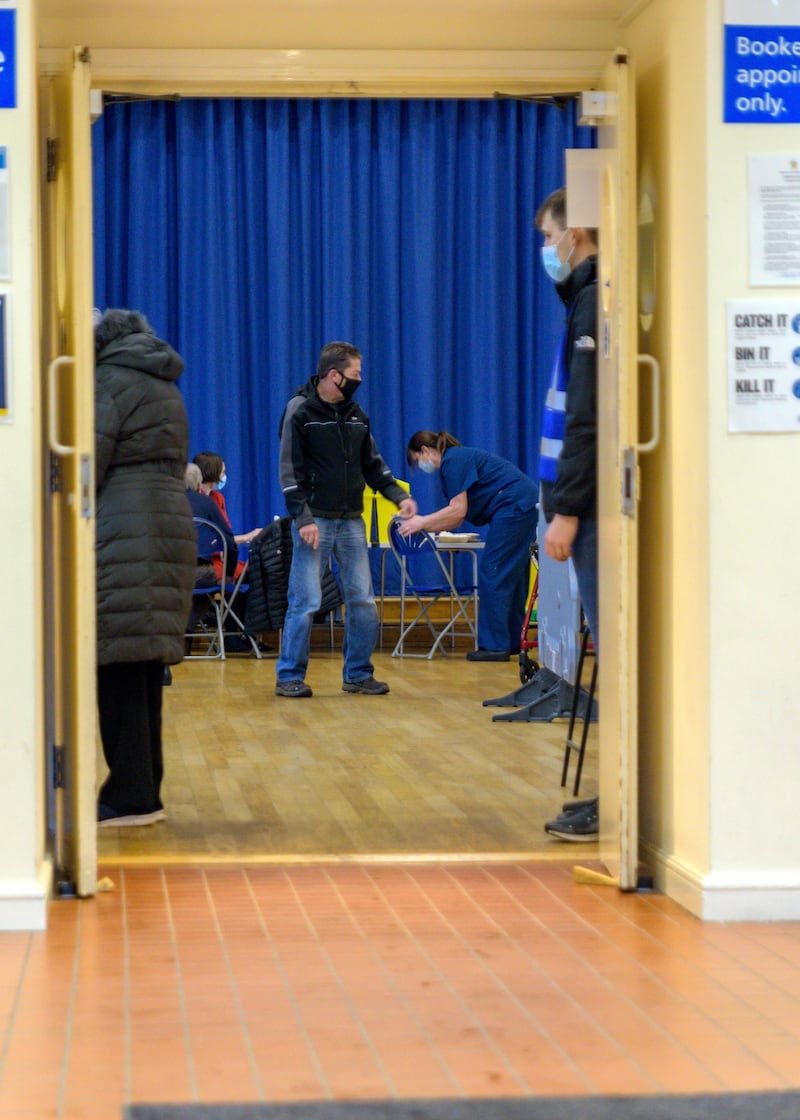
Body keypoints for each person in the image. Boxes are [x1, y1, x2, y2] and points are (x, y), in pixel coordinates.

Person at [94, 308, 196, 828]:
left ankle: (130, 796)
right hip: (164, 522)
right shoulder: (162, 381)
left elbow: (86, 459)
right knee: (138, 669)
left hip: (124, 527)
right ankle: (142, 790)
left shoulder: (110, 380)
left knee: (115, 666)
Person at [276, 340, 417, 698]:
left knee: (363, 601)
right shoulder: (299, 410)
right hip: (314, 521)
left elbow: (374, 465)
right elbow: (289, 470)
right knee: (305, 601)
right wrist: (303, 518)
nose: (360, 379)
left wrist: (400, 497)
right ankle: (289, 676)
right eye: (355, 374)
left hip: (352, 521)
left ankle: (357, 674)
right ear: (334, 375)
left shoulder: (357, 414)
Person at [535, 186, 600, 843]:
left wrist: (568, 511)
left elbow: (587, 421)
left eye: (548, 235)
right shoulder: (582, 299)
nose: (545, 249)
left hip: (592, 515)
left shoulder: (592, 300)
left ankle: (623, 802)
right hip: (585, 511)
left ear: (575, 233)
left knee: (613, 650)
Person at [401, 431, 538, 661]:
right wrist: (425, 525)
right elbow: (456, 517)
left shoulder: (452, 460)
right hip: (523, 504)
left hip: (513, 507)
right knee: (513, 575)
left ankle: (495, 646)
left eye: (418, 460)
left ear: (425, 451)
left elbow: (457, 511)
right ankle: (512, 640)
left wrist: (421, 522)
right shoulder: (458, 457)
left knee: (493, 572)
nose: (421, 465)